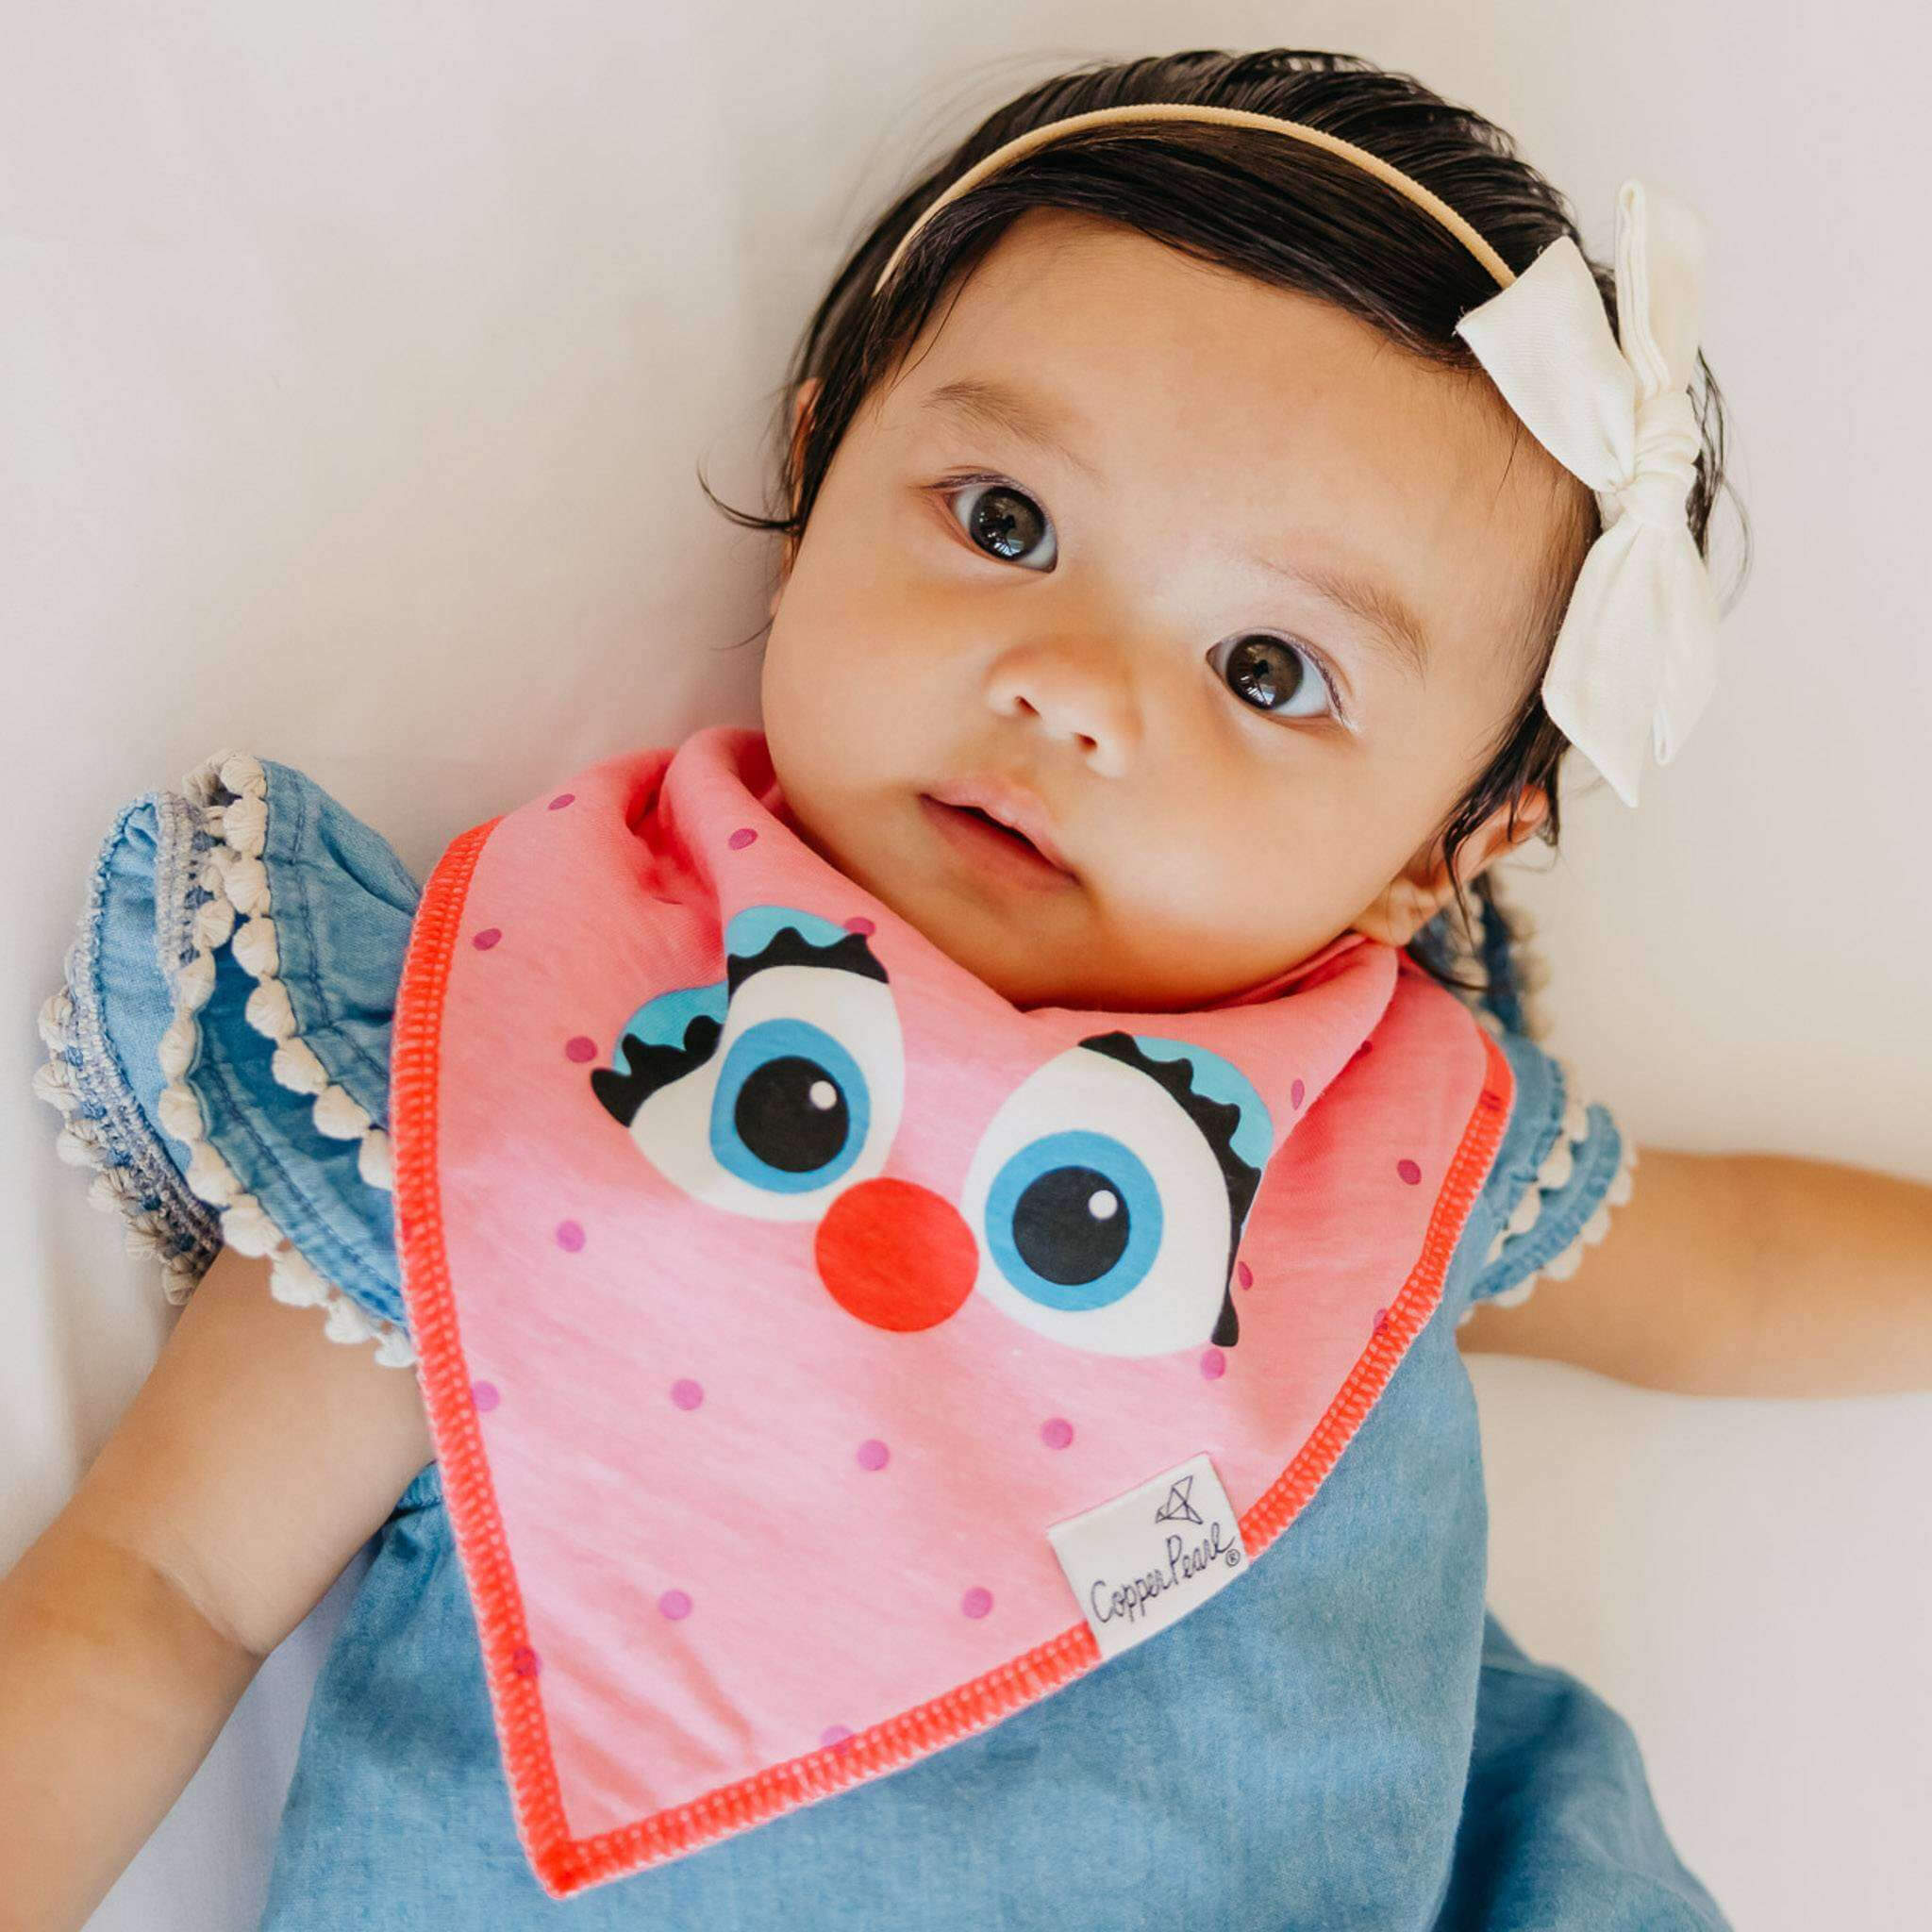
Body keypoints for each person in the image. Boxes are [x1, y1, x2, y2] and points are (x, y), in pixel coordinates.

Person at [7, 45, 1929, 1932]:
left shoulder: (1385, 1144)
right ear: (821, 448)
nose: (1072, 687)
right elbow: (163, 1584)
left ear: (1445, 847)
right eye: (1002, 524)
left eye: (1266, 672)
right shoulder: (503, 1053)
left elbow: (1744, 1264)